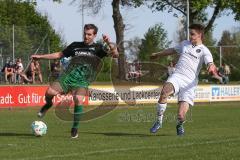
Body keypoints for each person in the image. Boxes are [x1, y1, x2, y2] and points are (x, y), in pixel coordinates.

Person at [31, 24, 118, 138]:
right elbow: (59, 54)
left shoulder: (98, 48)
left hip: (83, 80)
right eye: (85, 34)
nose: (86, 36)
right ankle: (48, 104)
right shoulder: (75, 45)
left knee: (78, 99)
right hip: (68, 76)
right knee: (49, 92)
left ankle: (75, 128)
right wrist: (41, 57)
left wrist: (109, 43)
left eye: (89, 34)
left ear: (94, 35)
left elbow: (116, 55)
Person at [150, 24, 221, 136]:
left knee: (181, 115)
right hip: (177, 76)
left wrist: (212, 70)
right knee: (164, 92)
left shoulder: (204, 51)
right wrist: (157, 54)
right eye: (190, 33)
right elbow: (172, 50)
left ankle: (180, 124)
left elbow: (210, 63)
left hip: (190, 83)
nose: (190, 36)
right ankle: (158, 122)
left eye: (192, 34)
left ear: (200, 35)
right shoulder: (185, 44)